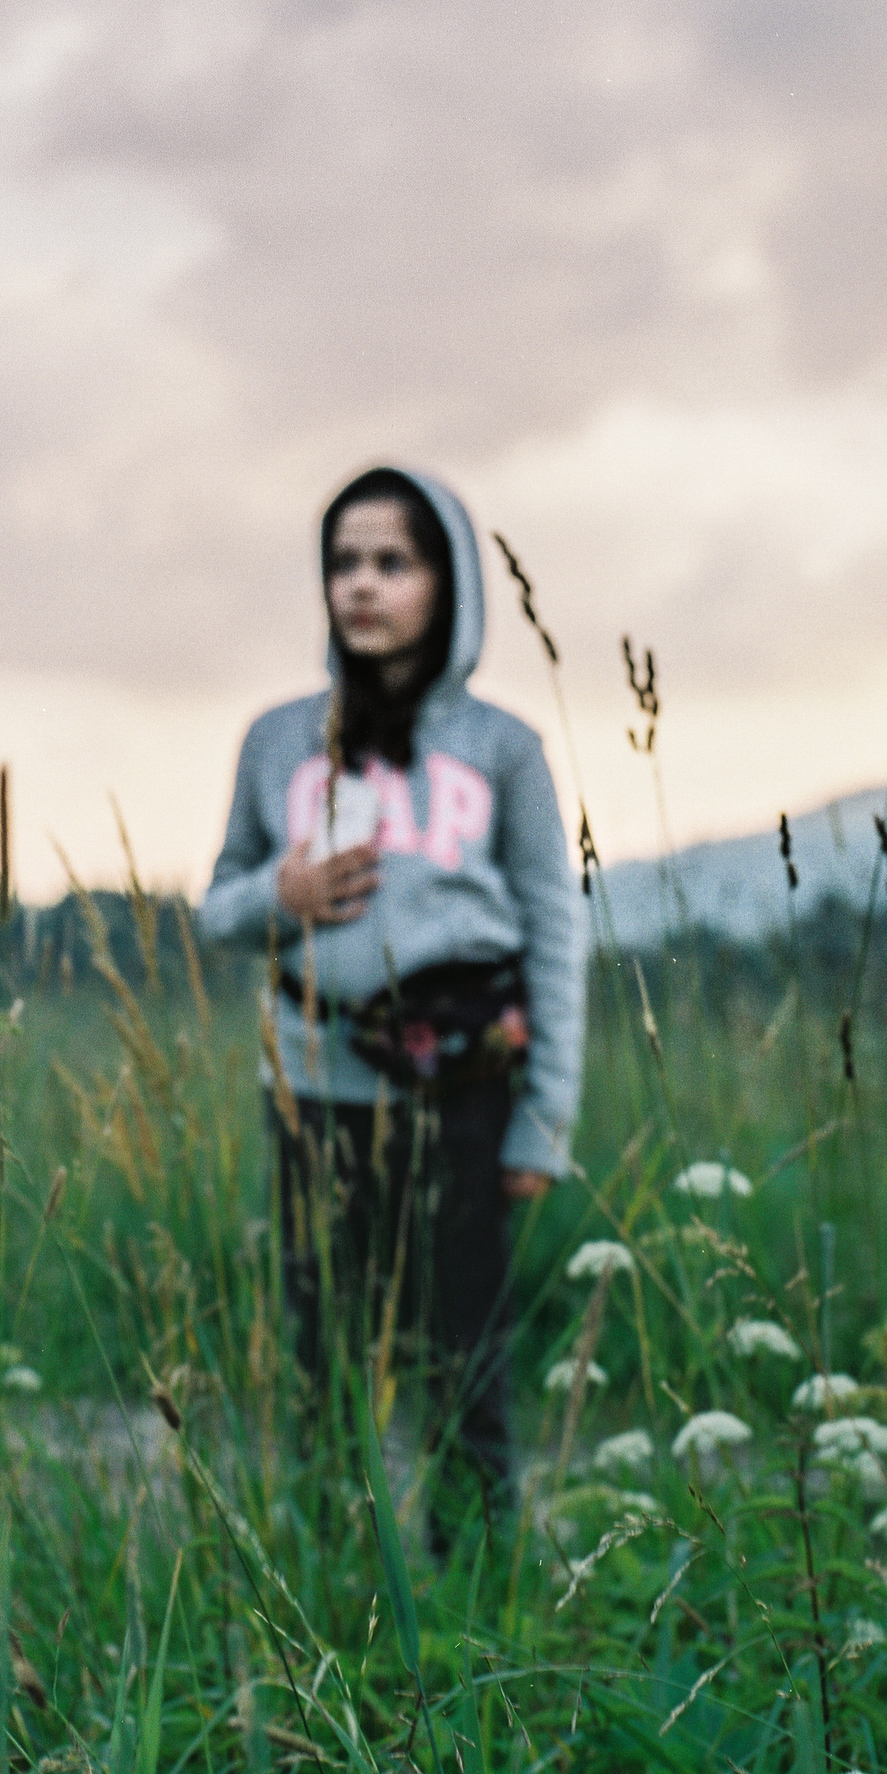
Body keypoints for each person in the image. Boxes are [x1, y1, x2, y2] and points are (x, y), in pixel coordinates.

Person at [196, 468, 583, 1554]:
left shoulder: (501, 749)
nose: (361, 585)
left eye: (392, 561)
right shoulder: (279, 738)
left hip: (461, 1099)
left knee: (462, 1357)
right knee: (322, 1354)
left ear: (448, 582)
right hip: (316, 1091)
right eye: (342, 561)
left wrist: (542, 1117)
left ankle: (477, 1589)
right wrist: (281, 894)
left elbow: (554, 929)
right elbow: (213, 905)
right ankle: (337, 1575)